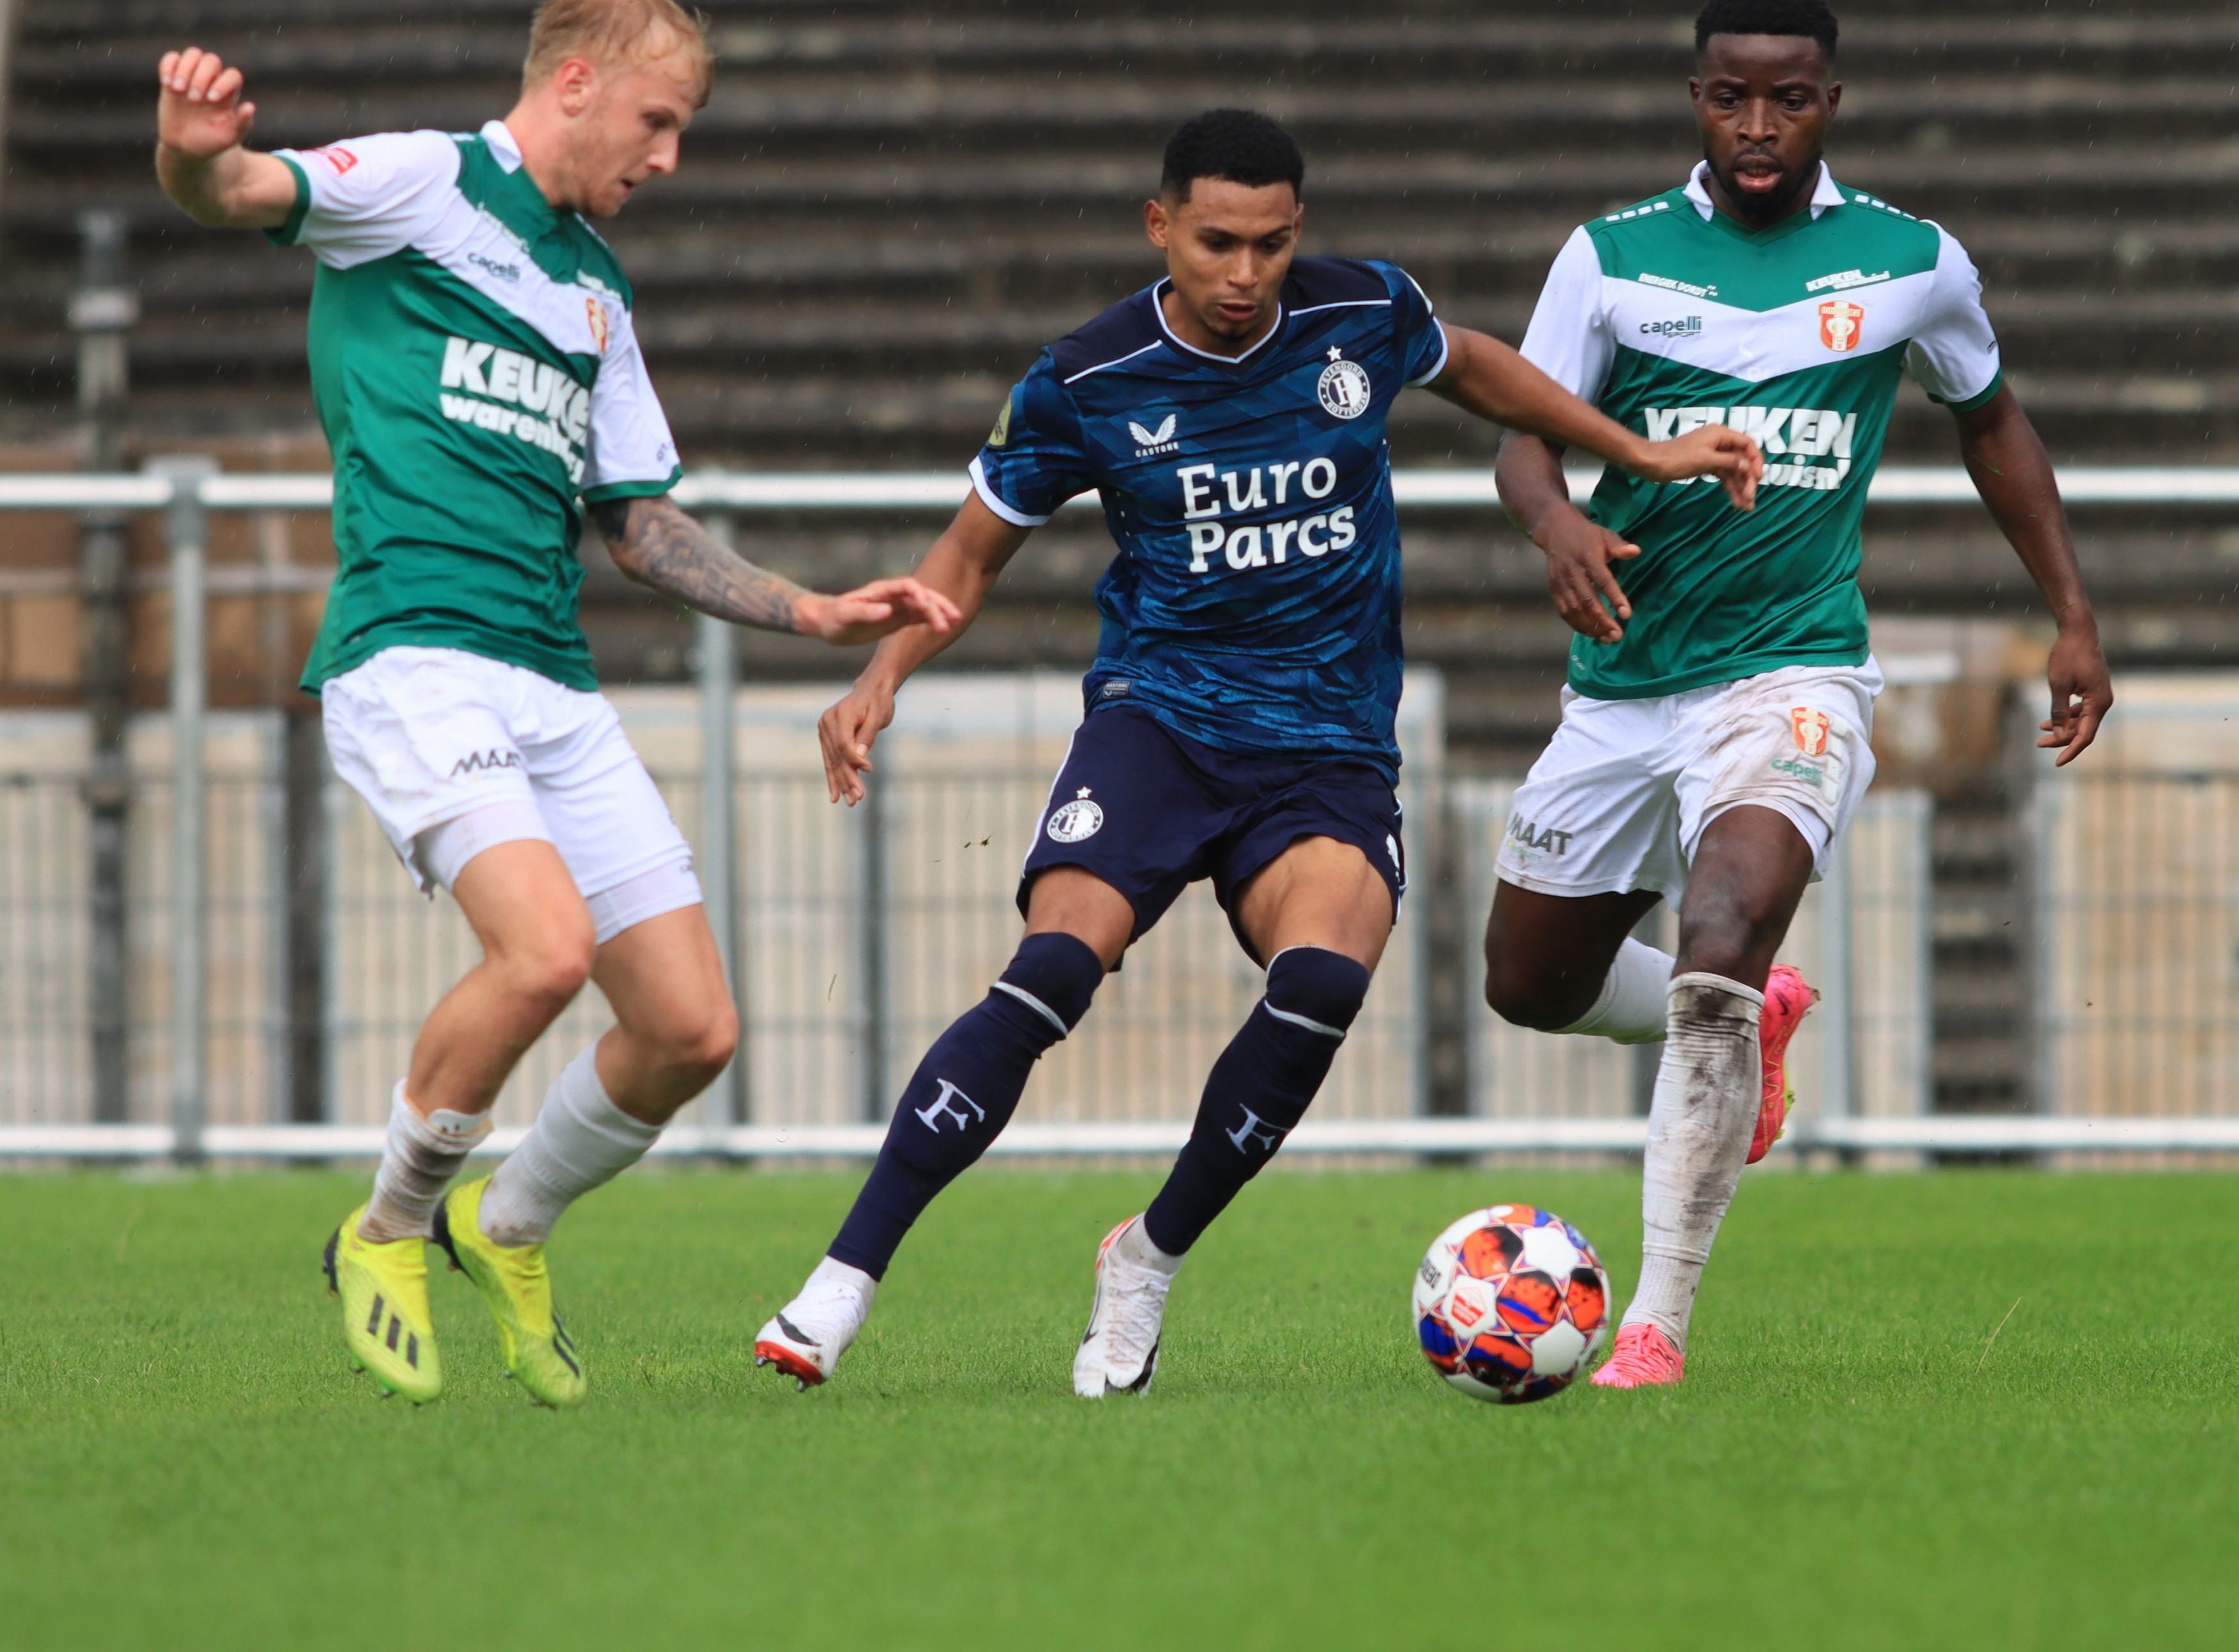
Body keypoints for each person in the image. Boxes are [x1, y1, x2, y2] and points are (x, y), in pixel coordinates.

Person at [751, 108, 1764, 1397]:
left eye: (1272, 245)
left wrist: (1633, 451)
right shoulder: (1089, 378)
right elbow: (970, 550)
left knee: (1322, 986)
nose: (1245, 275)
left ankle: (1147, 1259)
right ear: (1159, 226)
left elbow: (1475, 365)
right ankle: (841, 1283)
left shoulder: (1361, 314)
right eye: (1217, 243)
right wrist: (880, 675)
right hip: (1160, 725)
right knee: (1051, 969)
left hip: (1328, 747)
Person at [154, 0, 956, 1408]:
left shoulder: (596, 289)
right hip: (415, 654)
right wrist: (188, 151)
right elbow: (236, 193)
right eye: (657, 121)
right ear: (576, 83)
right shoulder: (426, 183)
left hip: (553, 683)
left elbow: (635, 523)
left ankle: (506, 1222)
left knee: (691, 1029)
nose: (669, 158)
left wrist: (811, 610)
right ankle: (387, 1227)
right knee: (541, 953)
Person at [1481, 0, 2112, 1388]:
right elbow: (1523, 434)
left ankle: (1654, 1323)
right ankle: (1753, 1016)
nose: (1757, 125)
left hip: (1795, 668)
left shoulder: (1911, 261)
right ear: (1695, 100)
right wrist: (1557, 523)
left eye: (1787, 98)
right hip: (1625, 680)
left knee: (1723, 922)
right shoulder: (1611, 257)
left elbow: (1992, 420)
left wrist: (2072, 614)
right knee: (1529, 980)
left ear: (1831, 100)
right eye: (1729, 97)